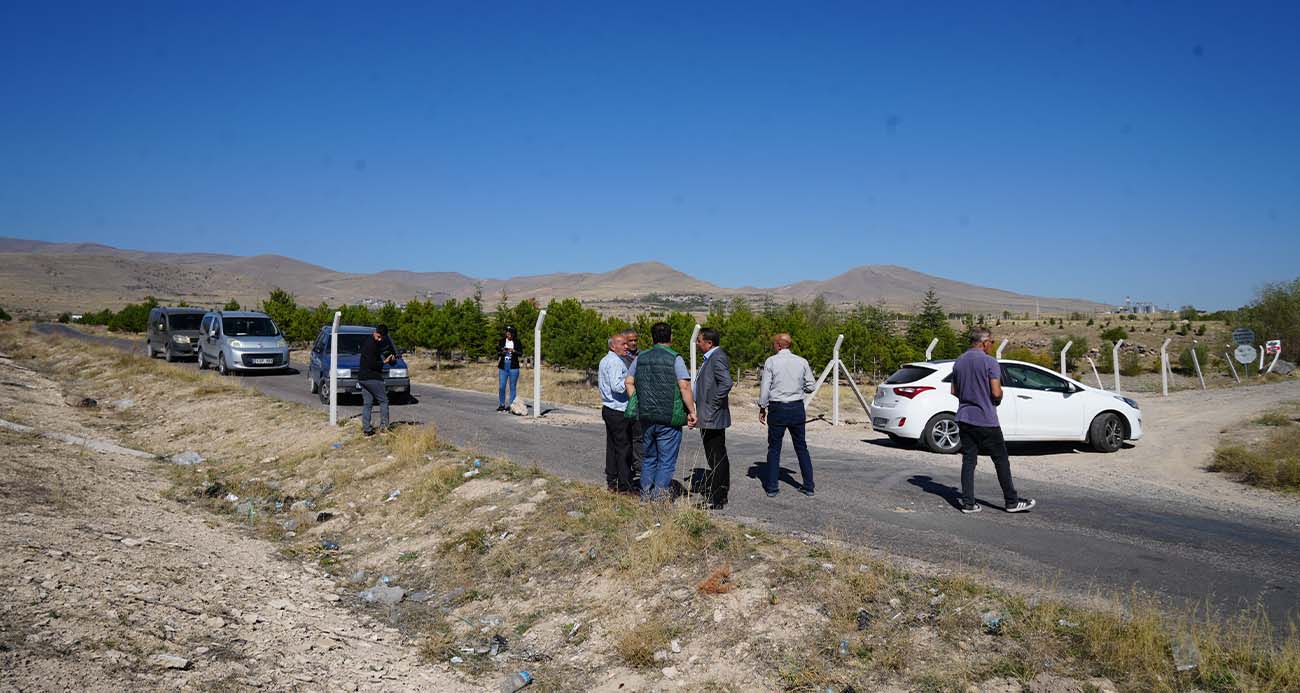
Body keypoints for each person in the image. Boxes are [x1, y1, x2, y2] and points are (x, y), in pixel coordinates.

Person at [950, 328, 1036, 514]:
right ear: (984, 342)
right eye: (991, 342)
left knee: (969, 460)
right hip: (986, 418)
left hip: (964, 417)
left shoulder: (959, 361)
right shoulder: (990, 362)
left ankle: (968, 503)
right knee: (1001, 460)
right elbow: (996, 392)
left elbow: (954, 391)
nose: (992, 345)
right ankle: (1011, 501)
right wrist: (998, 397)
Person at [625, 322, 697, 501]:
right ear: (671, 337)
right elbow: (684, 385)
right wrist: (692, 411)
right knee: (666, 461)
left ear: (652, 338)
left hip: (647, 416)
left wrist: (638, 400)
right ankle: (658, 500)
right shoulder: (675, 358)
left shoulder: (640, 358)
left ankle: (645, 497)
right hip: (669, 418)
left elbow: (628, 381)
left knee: (649, 458)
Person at [758, 333, 815, 497]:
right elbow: (811, 386)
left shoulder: (771, 361)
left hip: (778, 408)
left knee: (774, 448)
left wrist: (762, 407)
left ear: (778, 345)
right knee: (801, 447)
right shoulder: (802, 361)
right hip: (797, 407)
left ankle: (772, 487)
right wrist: (797, 389)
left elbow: (765, 387)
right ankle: (809, 485)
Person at [691, 327, 732, 509]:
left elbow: (726, 382)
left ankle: (717, 498)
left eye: (699, 341)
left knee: (716, 457)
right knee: (714, 456)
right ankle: (718, 494)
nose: (698, 343)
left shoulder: (717, 357)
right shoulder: (711, 358)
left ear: (709, 343)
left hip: (712, 416)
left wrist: (712, 405)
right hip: (708, 415)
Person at [598, 332, 636, 493]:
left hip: (609, 408)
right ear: (612, 346)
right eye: (622, 344)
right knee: (623, 448)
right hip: (618, 410)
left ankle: (612, 480)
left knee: (613, 446)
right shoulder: (614, 362)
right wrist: (632, 383)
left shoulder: (606, 360)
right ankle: (624, 484)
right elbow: (616, 386)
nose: (626, 346)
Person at [359, 324, 397, 436]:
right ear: (375, 332)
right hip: (372, 377)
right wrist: (384, 362)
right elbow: (372, 364)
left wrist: (390, 357)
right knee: (383, 401)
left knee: (367, 403)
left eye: (381, 337)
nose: (380, 339)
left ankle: (367, 430)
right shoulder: (371, 345)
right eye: (378, 337)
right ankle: (384, 428)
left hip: (363, 378)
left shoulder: (371, 342)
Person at [620, 328, 643, 484]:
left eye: (635, 340)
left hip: (640, 405)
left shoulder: (642, 356)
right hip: (624, 405)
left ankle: (640, 468)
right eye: (630, 340)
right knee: (625, 440)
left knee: (639, 438)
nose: (634, 343)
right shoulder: (620, 359)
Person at [496, 326, 522, 412]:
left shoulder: (517, 342)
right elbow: (498, 352)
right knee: (501, 387)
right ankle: (502, 404)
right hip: (503, 367)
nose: (508, 334)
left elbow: (520, 353)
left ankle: (512, 405)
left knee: (512, 387)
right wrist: (503, 351)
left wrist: (514, 351)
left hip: (513, 367)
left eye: (510, 332)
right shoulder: (502, 341)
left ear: (513, 334)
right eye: (507, 332)